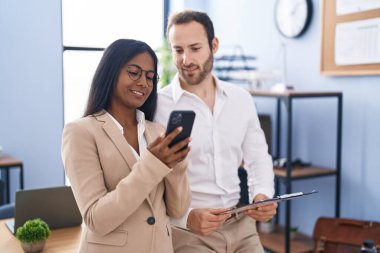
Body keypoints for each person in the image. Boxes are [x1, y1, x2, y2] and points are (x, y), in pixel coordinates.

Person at [154, 11, 277, 253]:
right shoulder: (158, 106)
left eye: (195, 48)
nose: (186, 59)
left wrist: (263, 194)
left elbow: (258, 158)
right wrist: (186, 218)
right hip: (189, 232)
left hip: (242, 226)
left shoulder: (241, 99)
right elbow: (151, 182)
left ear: (214, 45)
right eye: (178, 50)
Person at [61, 39, 191, 253]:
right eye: (134, 72)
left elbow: (177, 210)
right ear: (111, 73)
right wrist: (154, 163)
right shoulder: (80, 132)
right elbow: (97, 219)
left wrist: (177, 165)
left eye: (150, 77)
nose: (144, 83)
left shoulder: (156, 131)